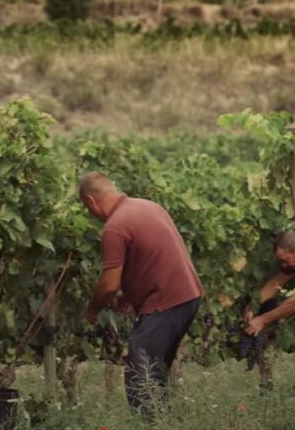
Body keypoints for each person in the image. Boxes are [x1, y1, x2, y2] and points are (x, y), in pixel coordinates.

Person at [79, 172, 204, 415]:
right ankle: (163, 421)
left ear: (91, 201)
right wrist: (132, 290)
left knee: (141, 380)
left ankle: (151, 425)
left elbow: (108, 285)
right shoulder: (148, 206)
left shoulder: (114, 227)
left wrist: (92, 310)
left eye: (87, 208)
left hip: (163, 305)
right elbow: (154, 257)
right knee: (154, 375)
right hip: (188, 297)